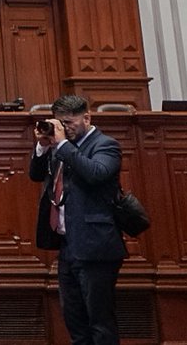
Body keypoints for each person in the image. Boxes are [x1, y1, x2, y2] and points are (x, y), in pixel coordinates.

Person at [31, 95, 126, 345]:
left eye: (70, 122)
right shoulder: (60, 146)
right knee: (75, 320)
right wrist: (42, 146)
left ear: (87, 118)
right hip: (68, 245)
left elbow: (96, 174)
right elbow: (35, 175)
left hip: (96, 246)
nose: (65, 128)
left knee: (100, 321)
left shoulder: (105, 145)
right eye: (60, 123)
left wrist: (62, 145)